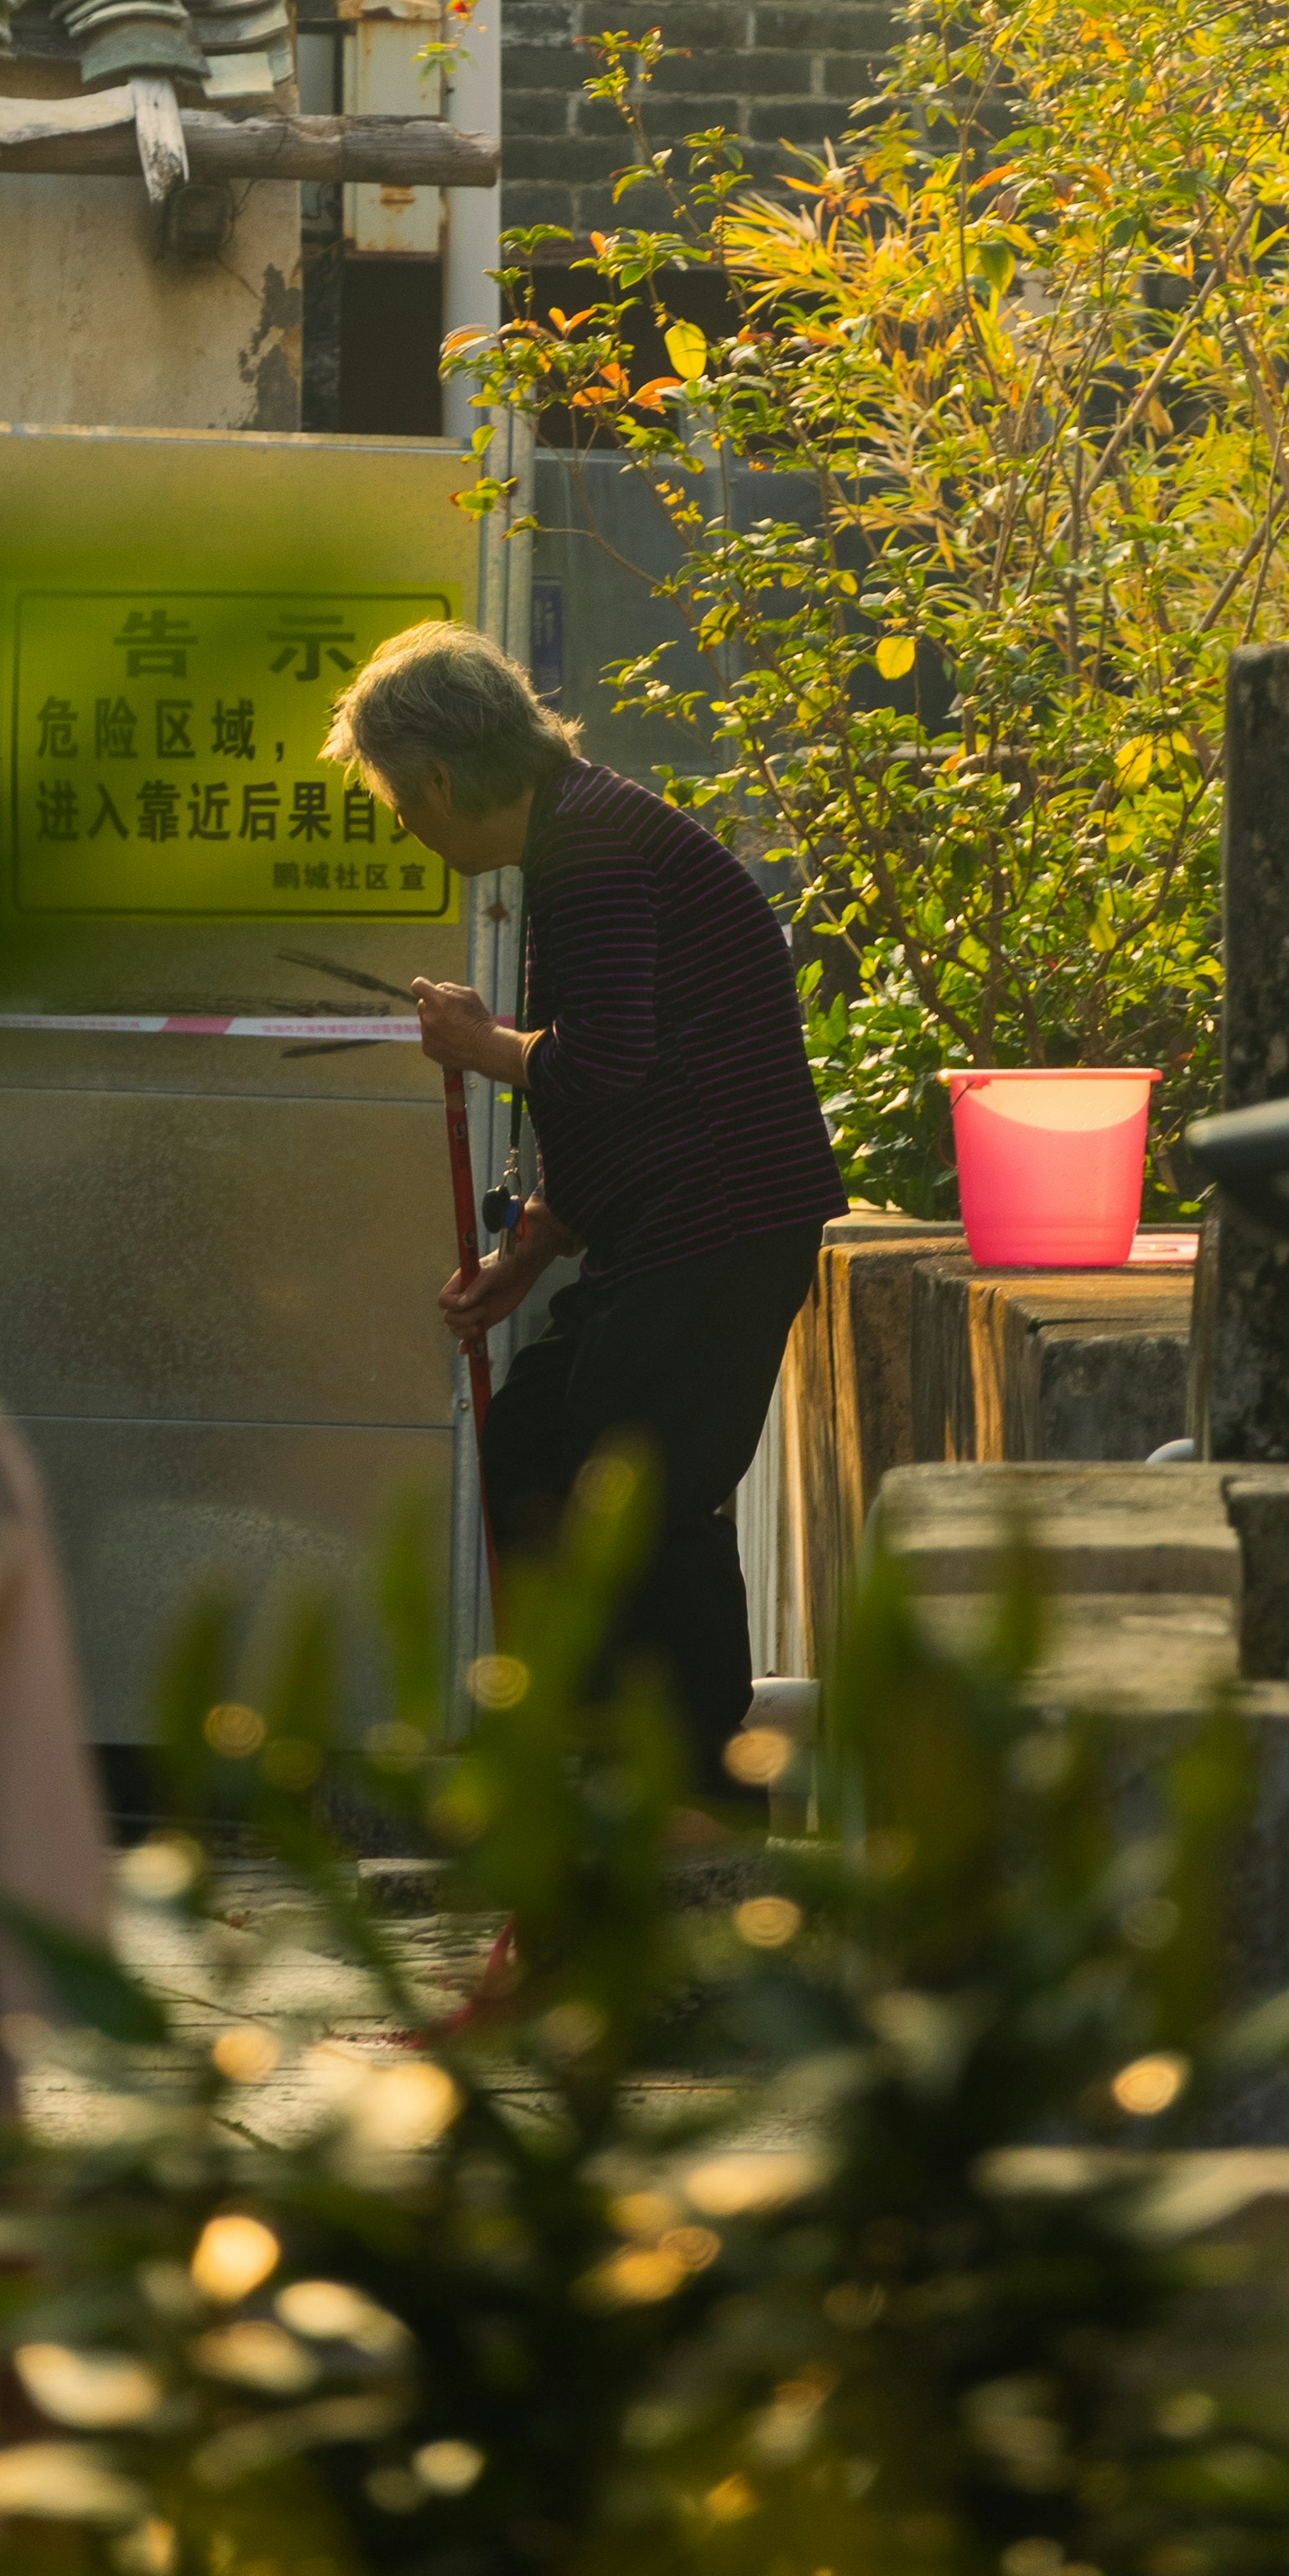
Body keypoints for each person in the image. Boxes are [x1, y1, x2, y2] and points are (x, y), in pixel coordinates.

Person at [323, 622, 845, 1789]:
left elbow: (600, 1062)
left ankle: (698, 1812)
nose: (404, 822)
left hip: (717, 1224)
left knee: (647, 1505)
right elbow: (622, 1084)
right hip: (669, 1225)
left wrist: (476, 1042)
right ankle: (602, 1753)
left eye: (398, 799)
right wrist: (536, 1244)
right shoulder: (580, 836)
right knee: (537, 1452)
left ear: (441, 778)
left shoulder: (597, 851)